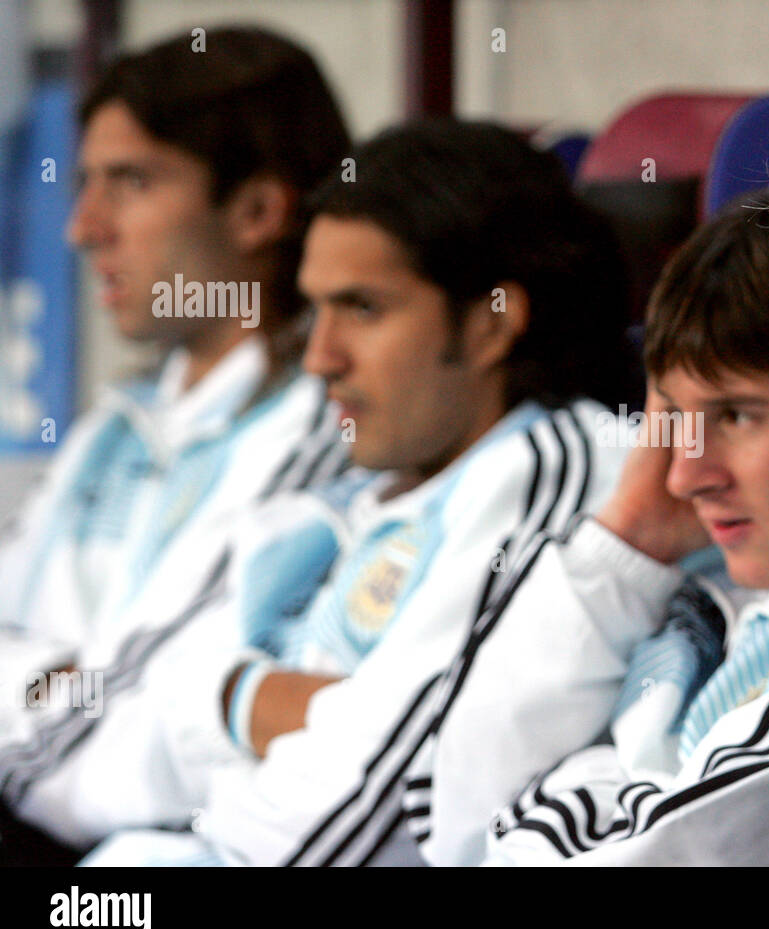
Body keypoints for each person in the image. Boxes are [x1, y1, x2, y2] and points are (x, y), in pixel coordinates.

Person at [11, 120, 631, 866]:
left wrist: (233, 704)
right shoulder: (354, 490)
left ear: (491, 324)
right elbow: (153, 696)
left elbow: (376, 808)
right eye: (317, 310)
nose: (319, 358)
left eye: (362, 308)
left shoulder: (554, 471)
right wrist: (249, 698)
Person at [415, 200, 769, 866]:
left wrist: (582, 787)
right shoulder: (715, 596)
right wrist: (629, 539)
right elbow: (458, 824)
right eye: (673, 418)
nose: (684, 475)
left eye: (735, 415)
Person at [0, 27, 351, 864]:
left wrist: (57, 682)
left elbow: (162, 729)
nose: (84, 229)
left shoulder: (329, 428)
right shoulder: (115, 425)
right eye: (86, 183)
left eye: (130, 182)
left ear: (260, 210)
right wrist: (62, 680)